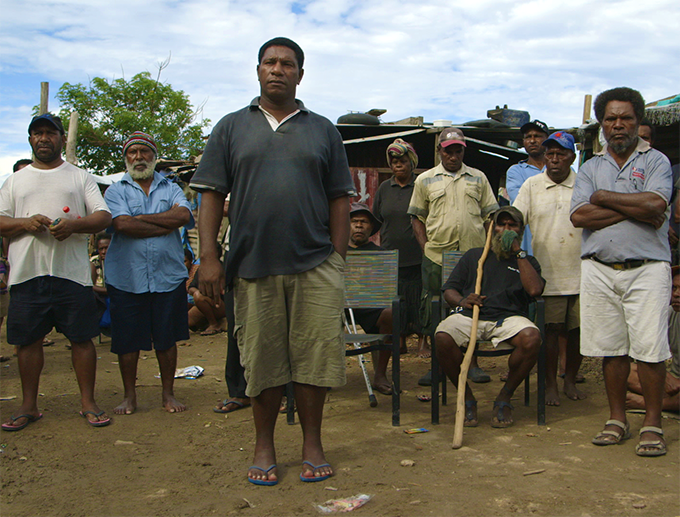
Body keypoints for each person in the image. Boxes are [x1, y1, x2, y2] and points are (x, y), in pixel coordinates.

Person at [190, 37, 354, 486]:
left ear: (301, 74)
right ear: (258, 70)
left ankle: (312, 443)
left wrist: (337, 257)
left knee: (314, 359)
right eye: (269, 62)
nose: (277, 69)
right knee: (261, 361)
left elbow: (341, 198)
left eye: (287, 64)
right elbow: (210, 195)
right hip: (251, 265)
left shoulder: (323, 130)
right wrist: (209, 255)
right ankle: (264, 446)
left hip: (316, 264)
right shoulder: (230, 128)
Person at [571, 87, 672, 457]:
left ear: (637, 121)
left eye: (626, 117)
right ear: (601, 124)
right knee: (611, 351)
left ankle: (652, 424)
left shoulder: (657, 161)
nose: (618, 125)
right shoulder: (590, 167)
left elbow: (656, 203)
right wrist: (635, 208)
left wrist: (602, 197)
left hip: (647, 269)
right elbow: (579, 216)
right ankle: (617, 419)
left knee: (650, 350)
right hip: (598, 269)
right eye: (610, 118)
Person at [0, 113, 112, 430]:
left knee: (82, 340)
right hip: (26, 274)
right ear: (30, 140)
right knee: (28, 342)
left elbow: (103, 216)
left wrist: (74, 225)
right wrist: (25, 223)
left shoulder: (79, 177)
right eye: (38, 133)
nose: (44, 138)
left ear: (62, 138)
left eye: (51, 132)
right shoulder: (15, 181)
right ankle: (28, 406)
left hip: (72, 274)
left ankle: (88, 403)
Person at [104, 131, 194, 415]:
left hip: (167, 275)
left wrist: (139, 218)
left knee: (167, 338)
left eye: (145, 152)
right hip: (126, 277)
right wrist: (161, 223)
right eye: (133, 153)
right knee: (127, 341)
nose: (139, 157)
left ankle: (168, 394)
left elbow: (183, 217)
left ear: (154, 157)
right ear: (126, 158)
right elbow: (121, 226)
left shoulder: (171, 187)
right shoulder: (116, 190)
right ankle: (130, 397)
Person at [434, 207, 544, 427]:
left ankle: (505, 396)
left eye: (512, 226)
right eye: (500, 225)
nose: (505, 230)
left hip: (508, 319)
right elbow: (449, 290)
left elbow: (534, 291)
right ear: (491, 229)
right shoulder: (474, 256)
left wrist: (518, 252)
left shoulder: (527, 261)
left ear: (521, 232)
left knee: (532, 338)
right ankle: (467, 398)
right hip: (470, 315)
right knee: (442, 337)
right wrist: (463, 301)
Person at [408, 127, 499, 385]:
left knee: (474, 305)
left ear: (463, 151)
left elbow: (491, 216)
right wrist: (426, 247)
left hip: (472, 257)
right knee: (436, 309)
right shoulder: (424, 179)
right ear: (440, 151)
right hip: (437, 255)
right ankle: (437, 366)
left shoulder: (478, 178)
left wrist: (487, 249)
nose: (453, 155)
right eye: (448, 150)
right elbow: (417, 217)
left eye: (458, 150)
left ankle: (473, 364)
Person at [514, 131, 585, 406]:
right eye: (550, 154)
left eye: (561, 154)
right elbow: (516, 220)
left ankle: (570, 379)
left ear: (572, 157)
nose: (554, 159)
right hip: (548, 275)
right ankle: (550, 383)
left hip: (581, 272)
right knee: (552, 331)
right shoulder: (532, 186)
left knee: (577, 331)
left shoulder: (582, 185)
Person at [373, 139, 426, 356]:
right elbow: (376, 219)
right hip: (390, 255)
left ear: (411, 163)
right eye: (394, 161)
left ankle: (424, 341)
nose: (398, 165)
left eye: (403, 161)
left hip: (418, 254)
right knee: (397, 301)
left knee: (420, 299)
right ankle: (400, 339)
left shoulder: (421, 186)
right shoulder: (385, 188)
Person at [347, 202, 394, 395]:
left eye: (364, 222)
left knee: (391, 313)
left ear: (371, 228)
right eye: (355, 221)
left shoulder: (382, 254)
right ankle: (325, 375)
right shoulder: (335, 252)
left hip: (371, 308)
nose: (359, 225)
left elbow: (389, 290)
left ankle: (380, 375)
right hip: (340, 309)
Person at [626, 265, 680, 412]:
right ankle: (667, 402)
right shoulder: (671, 313)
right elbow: (642, 344)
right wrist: (667, 376)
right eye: (674, 288)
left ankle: (650, 403)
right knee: (626, 370)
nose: (676, 294)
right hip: (674, 382)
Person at [506, 119, 550, 254]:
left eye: (537, 136)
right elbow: (521, 201)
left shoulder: (559, 169)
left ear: (547, 139)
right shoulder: (516, 171)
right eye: (528, 137)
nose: (532, 140)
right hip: (527, 246)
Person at [90, 232, 111, 330]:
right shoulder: (95, 261)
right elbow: (91, 285)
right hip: (100, 295)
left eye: (106, 248)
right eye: (101, 249)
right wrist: (107, 291)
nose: (103, 251)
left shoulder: (120, 260)